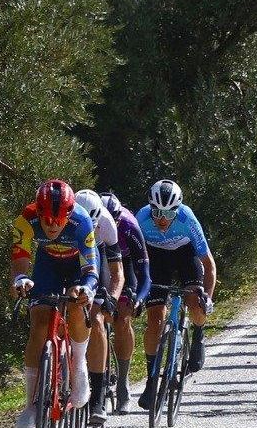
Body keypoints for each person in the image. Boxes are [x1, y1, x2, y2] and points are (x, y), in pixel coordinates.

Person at [10, 180, 98, 428]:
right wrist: (21, 278)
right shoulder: (26, 219)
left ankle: (79, 365)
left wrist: (87, 289)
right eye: (47, 219)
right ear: (38, 212)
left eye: (58, 220)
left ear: (69, 215)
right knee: (39, 322)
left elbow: (91, 270)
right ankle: (31, 404)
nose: (52, 225)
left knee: (76, 304)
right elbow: (19, 261)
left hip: (77, 267)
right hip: (47, 263)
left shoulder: (82, 221)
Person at [135, 180, 217, 411]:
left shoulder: (187, 218)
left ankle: (198, 333)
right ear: (150, 208)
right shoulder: (141, 218)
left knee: (195, 302)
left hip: (185, 255)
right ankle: (152, 379)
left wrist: (208, 297)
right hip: (156, 258)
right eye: (157, 212)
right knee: (154, 320)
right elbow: (132, 257)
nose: (162, 218)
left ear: (177, 210)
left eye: (169, 213)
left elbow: (209, 265)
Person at [75, 190, 125, 426]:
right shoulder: (68, 218)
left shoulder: (107, 225)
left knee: (96, 319)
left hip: (97, 256)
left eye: (92, 225)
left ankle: (97, 398)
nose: (89, 229)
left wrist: (112, 298)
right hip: (69, 253)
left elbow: (117, 272)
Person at [100, 192, 151, 415]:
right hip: (100, 262)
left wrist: (139, 298)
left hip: (125, 265)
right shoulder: (90, 221)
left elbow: (145, 273)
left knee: (122, 316)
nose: (111, 226)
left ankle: (122, 383)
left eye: (115, 222)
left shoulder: (129, 226)